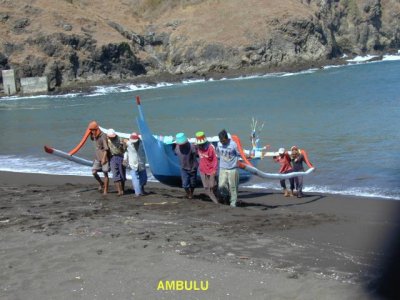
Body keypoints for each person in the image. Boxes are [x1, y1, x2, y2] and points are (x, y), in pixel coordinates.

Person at [216, 129, 240, 207]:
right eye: (221, 141)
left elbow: (239, 154)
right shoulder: (219, 144)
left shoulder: (233, 145)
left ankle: (233, 204)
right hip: (223, 167)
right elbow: (218, 154)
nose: (222, 142)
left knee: (233, 187)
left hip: (233, 168)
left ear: (227, 138)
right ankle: (226, 197)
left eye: (224, 141)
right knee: (221, 185)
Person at [195, 131, 219, 204]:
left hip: (211, 170)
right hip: (202, 170)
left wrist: (214, 170)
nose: (200, 145)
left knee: (213, 186)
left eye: (201, 144)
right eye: (199, 144)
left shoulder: (211, 148)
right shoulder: (197, 147)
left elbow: (215, 159)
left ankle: (218, 195)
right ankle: (216, 202)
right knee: (206, 187)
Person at [174, 132, 198, 199]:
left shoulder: (191, 146)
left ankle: (191, 193)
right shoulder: (177, 148)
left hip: (192, 167)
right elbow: (175, 153)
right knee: (185, 185)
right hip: (183, 168)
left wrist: (194, 168)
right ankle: (189, 194)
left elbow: (194, 157)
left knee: (193, 184)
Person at [88, 121, 110, 195]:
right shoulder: (93, 136)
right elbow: (92, 139)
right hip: (97, 158)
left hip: (104, 158)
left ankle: (105, 190)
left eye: (92, 130)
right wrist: (90, 133)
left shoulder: (103, 136)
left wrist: (104, 158)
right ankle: (101, 183)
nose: (91, 131)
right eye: (90, 130)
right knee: (94, 172)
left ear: (96, 129)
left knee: (105, 173)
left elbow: (106, 149)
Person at [124, 132, 147, 197]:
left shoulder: (142, 144)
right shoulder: (129, 144)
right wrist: (125, 159)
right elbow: (126, 151)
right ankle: (138, 193)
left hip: (141, 164)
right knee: (135, 179)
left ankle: (141, 190)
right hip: (133, 164)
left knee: (143, 179)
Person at [106, 128, 126, 196]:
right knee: (115, 174)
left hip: (121, 157)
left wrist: (123, 145)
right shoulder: (107, 139)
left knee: (122, 174)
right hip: (112, 158)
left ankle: (122, 190)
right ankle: (119, 191)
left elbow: (125, 149)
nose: (112, 138)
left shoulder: (120, 139)